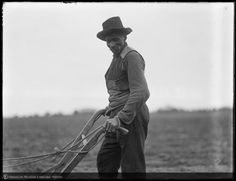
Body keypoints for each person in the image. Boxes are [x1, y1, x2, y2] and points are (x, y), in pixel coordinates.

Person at [96, 16, 150, 177]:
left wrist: (120, 118)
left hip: (131, 117)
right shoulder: (116, 59)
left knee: (132, 165)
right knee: (105, 160)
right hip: (115, 117)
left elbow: (141, 92)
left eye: (115, 39)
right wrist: (110, 108)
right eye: (108, 41)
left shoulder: (131, 57)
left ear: (124, 37)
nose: (112, 44)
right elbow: (120, 90)